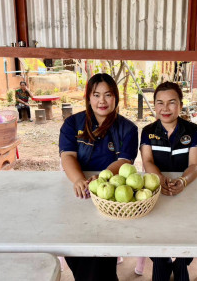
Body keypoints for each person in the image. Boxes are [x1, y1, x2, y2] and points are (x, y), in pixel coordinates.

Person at [59, 73, 139, 281]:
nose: (102, 101)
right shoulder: (72, 123)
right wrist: (78, 180)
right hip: (77, 192)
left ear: (116, 98)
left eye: (108, 95)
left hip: (109, 194)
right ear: (88, 98)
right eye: (96, 95)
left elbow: (124, 162)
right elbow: (67, 155)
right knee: (74, 248)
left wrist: (101, 179)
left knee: (100, 250)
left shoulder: (128, 129)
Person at [140, 81, 197, 281]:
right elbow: (147, 161)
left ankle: (182, 263)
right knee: (152, 230)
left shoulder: (193, 131)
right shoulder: (147, 131)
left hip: (187, 191)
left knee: (194, 230)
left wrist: (183, 182)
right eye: (160, 103)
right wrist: (159, 179)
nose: (165, 108)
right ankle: (162, 261)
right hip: (156, 191)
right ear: (154, 105)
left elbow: (194, 166)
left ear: (181, 105)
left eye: (171, 103)